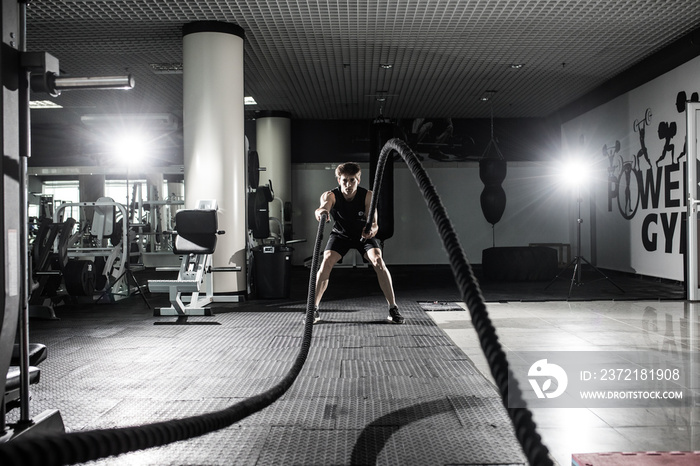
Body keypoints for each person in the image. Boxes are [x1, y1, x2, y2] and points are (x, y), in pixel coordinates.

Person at [309, 162, 404, 325]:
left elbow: (374, 224)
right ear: (339, 180)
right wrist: (321, 212)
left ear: (358, 180)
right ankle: (314, 309)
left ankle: (393, 308)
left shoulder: (368, 196)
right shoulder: (330, 195)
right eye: (344, 180)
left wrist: (371, 230)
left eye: (352, 180)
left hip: (363, 234)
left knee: (378, 261)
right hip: (341, 234)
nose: (348, 184)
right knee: (326, 261)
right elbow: (322, 208)